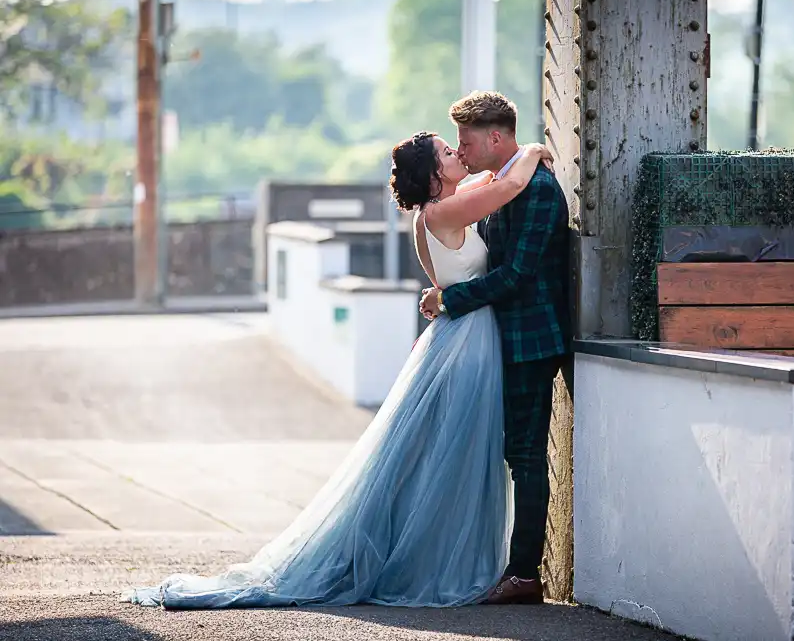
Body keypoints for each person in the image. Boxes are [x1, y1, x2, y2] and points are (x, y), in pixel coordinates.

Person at [119, 133, 554, 609]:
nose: (457, 153)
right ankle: (432, 563)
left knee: (446, 460)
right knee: (452, 459)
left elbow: (491, 178)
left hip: (462, 337)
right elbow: (507, 187)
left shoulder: (447, 205)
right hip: (466, 344)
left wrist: (497, 162)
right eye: (447, 153)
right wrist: (531, 151)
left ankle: (444, 556)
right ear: (432, 176)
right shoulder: (440, 213)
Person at [419, 91, 571, 606]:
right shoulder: (502, 185)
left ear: (495, 138)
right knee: (492, 452)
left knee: (524, 454)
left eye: (465, 141)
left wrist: (449, 299)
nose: (460, 151)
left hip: (530, 340)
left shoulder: (539, 191)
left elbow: (517, 275)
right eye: (454, 144)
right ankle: (486, 562)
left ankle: (524, 572)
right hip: (495, 338)